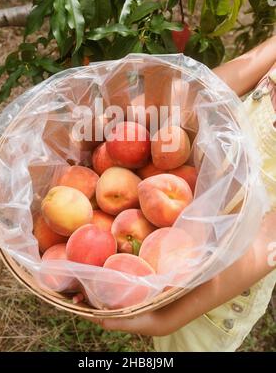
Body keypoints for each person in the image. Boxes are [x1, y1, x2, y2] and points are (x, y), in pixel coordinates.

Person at [90, 35, 276, 352]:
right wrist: (148, 115)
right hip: (180, 218)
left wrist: (171, 318)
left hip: (225, 278)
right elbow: (215, 87)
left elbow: (268, 241)